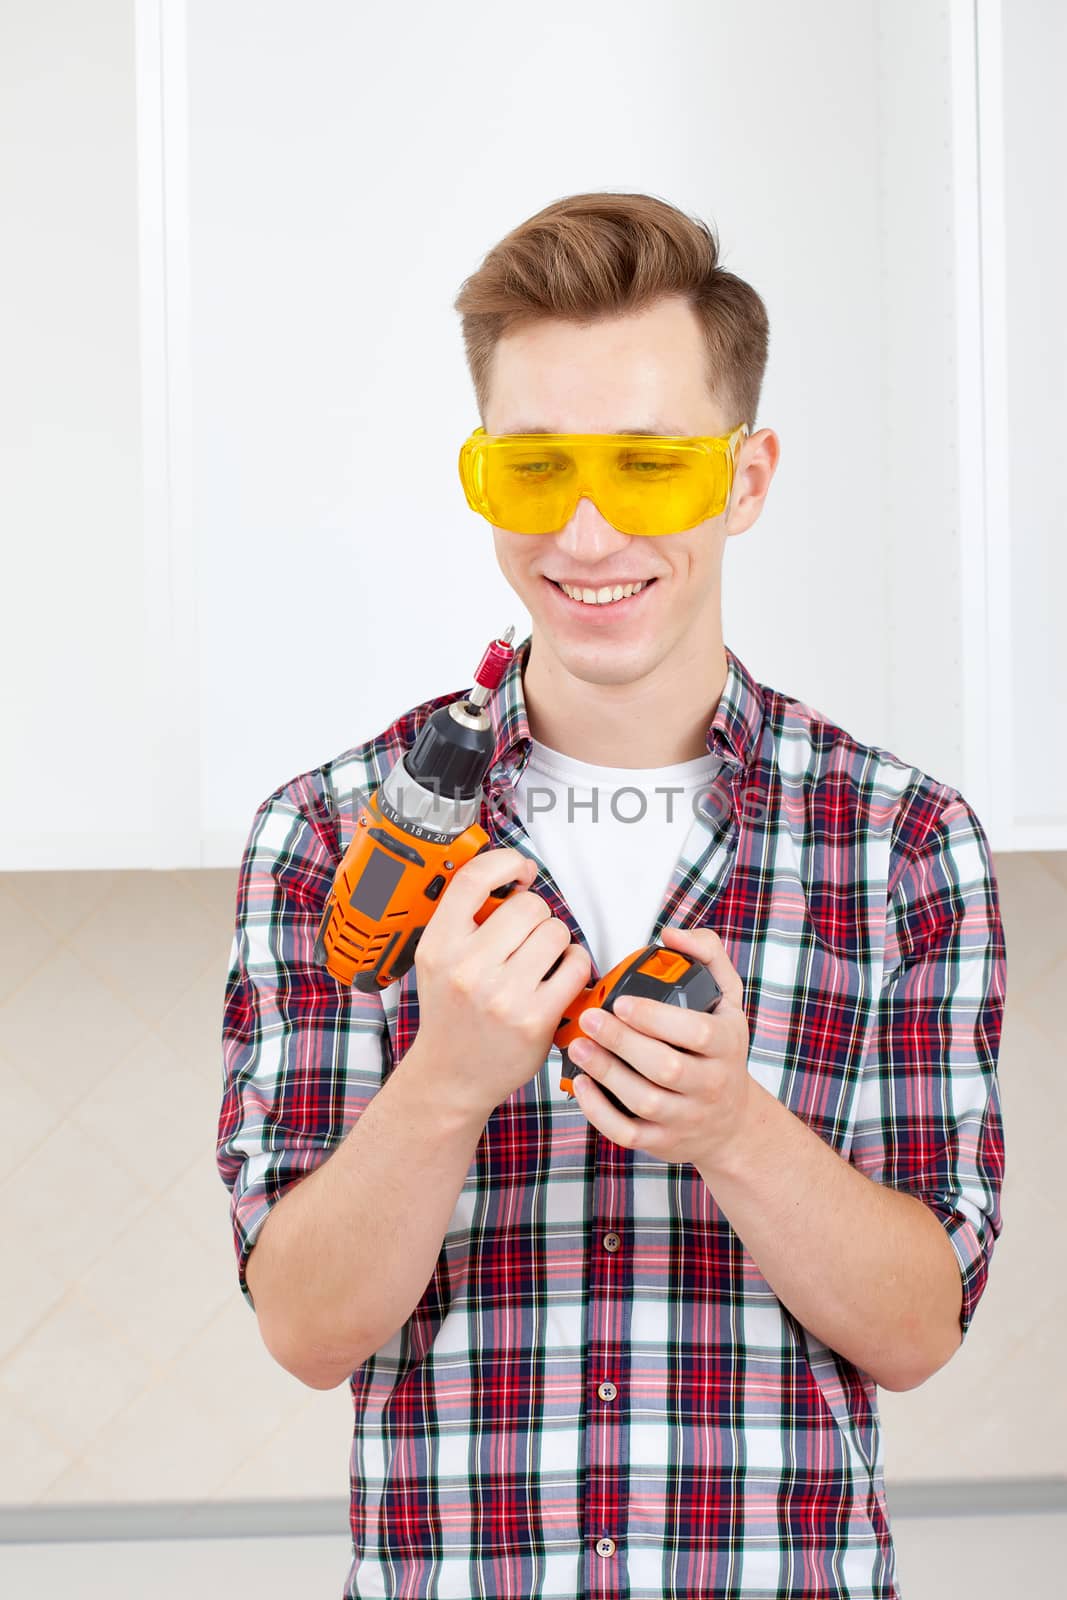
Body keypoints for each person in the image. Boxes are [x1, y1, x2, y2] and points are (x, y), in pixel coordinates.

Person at [217, 192, 1006, 1600]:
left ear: (745, 480)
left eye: (648, 468)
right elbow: (305, 1329)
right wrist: (445, 1086)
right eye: (532, 474)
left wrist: (732, 1128)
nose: (584, 537)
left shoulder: (902, 841)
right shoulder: (329, 834)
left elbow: (921, 1332)